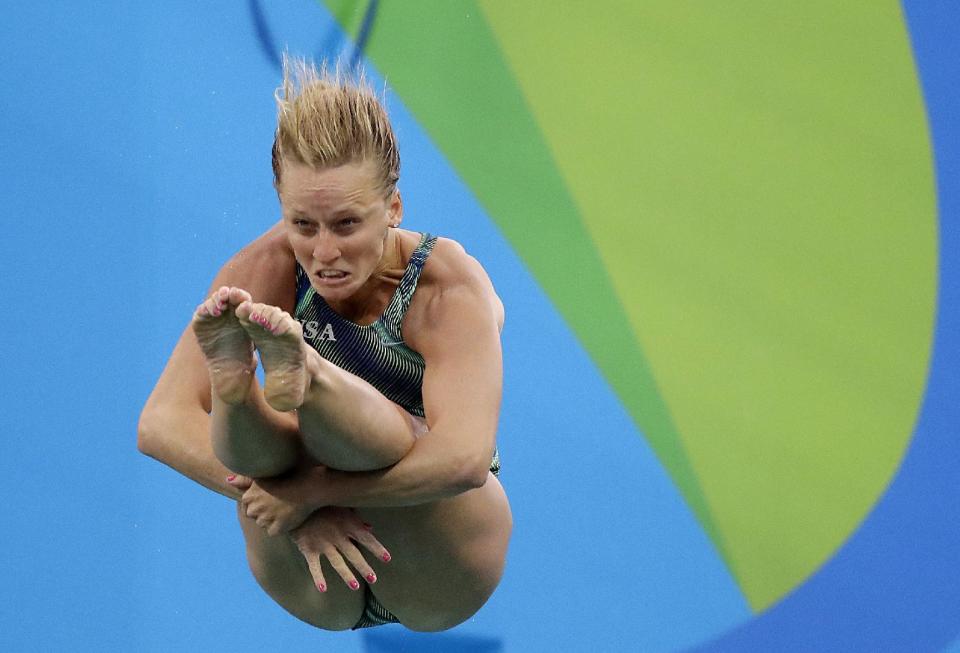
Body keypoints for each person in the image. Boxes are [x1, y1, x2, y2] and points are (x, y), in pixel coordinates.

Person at [137, 57, 512, 632]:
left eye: (345, 224)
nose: (324, 254)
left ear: (393, 208)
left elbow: (463, 461)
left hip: (440, 559)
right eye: (303, 225)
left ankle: (307, 375)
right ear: (280, 203)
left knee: (383, 435)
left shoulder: (447, 287)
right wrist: (285, 501)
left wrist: (311, 493)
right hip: (312, 567)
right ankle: (239, 395)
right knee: (258, 444)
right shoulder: (265, 267)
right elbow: (160, 422)